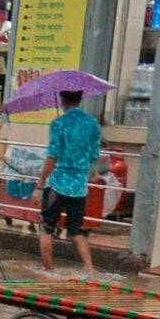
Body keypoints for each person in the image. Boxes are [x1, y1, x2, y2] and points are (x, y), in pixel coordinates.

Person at [37, 89, 104, 277]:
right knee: (76, 231)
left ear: (63, 99)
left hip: (57, 184)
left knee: (46, 228)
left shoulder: (58, 124)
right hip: (79, 187)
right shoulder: (93, 124)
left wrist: (40, 184)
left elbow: (52, 155)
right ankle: (90, 271)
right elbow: (93, 155)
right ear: (81, 98)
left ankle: (49, 272)